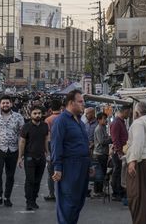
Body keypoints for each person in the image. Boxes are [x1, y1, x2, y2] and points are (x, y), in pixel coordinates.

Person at [51, 90, 89, 224]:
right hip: (69, 166)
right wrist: (57, 167)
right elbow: (56, 144)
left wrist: (89, 165)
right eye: (80, 102)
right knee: (68, 203)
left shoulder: (80, 122)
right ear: (71, 103)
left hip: (82, 165)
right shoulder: (61, 121)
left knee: (78, 202)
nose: (83, 104)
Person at [0, 95, 24, 207]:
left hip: (13, 150)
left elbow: (21, 137)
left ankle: (7, 197)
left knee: (10, 175)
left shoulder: (18, 117)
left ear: (11, 104)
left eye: (7, 103)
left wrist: (20, 155)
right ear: (0, 104)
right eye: (3, 103)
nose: (5, 105)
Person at [18, 106, 49, 211]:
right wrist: (20, 157)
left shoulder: (45, 126)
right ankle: (29, 202)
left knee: (37, 180)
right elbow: (22, 142)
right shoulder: (26, 127)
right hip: (29, 157)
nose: (37, 115)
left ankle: (34, 200)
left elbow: (46, 140)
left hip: (41, 157)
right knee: (30, 180)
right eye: (35, 113)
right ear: (30, 115)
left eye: (39, 113)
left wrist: (47, 153)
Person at [110, 105, 131, 202]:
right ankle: (116, 193)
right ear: (124, 111)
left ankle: (120, 191)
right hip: (118, 152)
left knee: (120, 172)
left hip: (122, 151)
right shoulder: (116, 123)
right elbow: (115, 139)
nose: (129, 114)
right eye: (128, 112)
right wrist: (119, 151)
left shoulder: (121, 122)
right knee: (117, 172)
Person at [43, 99, 62, 202]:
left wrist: (46, 152)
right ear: (61, 108)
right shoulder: (64, 118)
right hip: (63, 146)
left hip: (51, 145)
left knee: (51, 172)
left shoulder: (48, 120)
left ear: (50, 109)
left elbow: (46, 135)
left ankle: (51, 193)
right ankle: (62, 193)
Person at [93, 113, 112, 196]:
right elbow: (102, 141)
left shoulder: (103, 127)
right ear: (99, 120)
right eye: (104, 118)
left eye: (106, 118)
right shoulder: (99, 129)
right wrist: (111, 139)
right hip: (100, 153)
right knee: (99, 173)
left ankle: (99, 190)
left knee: (101, 172)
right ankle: (98, 191)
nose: (105, 120)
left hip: (103, 153)